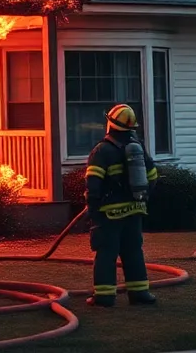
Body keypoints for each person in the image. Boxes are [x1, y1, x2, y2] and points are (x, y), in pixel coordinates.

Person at [84, 103, 159, 307]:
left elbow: (93, 183)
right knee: (133, 251)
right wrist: (141, 198)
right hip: (135, 210)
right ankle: (140, 293)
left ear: (110, 123)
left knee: (106, 253)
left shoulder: (102, 150)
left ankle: (104, 296)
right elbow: (152, 177)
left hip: (109, 214)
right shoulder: (138, 147)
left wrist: (92, 208)